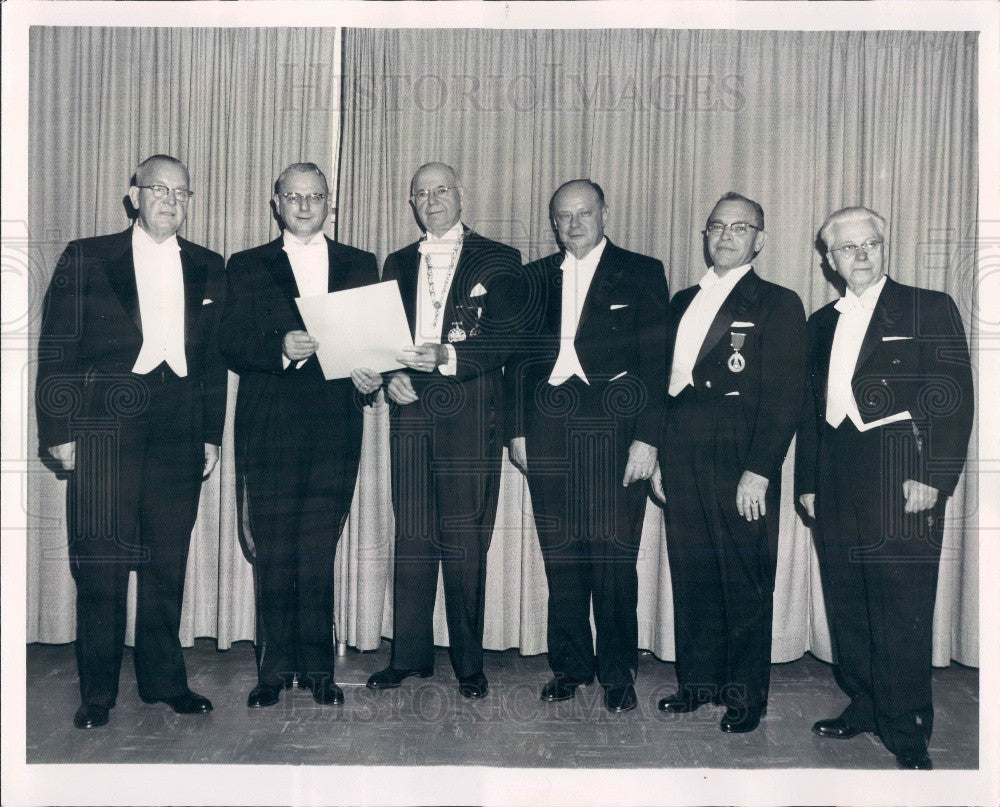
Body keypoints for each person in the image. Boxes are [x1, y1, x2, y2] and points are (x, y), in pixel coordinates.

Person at [35, 155, 227, 729]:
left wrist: (211, 435)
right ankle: (97, 691)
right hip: (102, 427)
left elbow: (213, 361)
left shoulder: (208, 265)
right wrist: (59, 432)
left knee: (167, 561)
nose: (170, 199)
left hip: (178, 431)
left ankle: (164, 680)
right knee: (100, 563)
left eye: (180, 191)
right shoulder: (87, 255)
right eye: (158, 188)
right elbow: (57, 348)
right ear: (133, 195)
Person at [795, 206, 973, 769]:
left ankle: (908, 720)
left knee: (902, 602)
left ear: (884, 245)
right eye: (847, 248)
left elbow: (953, 397)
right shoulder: (820, 323)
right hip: (836, 474)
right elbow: (809, 410)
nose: (862, 255)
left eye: (870, 243)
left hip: (903, 470)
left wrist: (935, 478)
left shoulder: (927, 306)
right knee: (847, 598)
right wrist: (808, 483)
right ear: (829, 259)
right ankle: (866, 703)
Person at [504, 179, 669, 713]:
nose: (573, 224)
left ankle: (618, 674)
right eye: (563, 216)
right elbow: (516, 364)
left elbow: (656, 363)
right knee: (562, 557)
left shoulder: (642, 272)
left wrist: (648, 438)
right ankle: (570, 667)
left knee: (615, 558)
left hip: (618, 435)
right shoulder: (530, 279)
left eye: (583, 213)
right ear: (553, 223)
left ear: (604, 213)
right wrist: (516, 432)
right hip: (548, 432)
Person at [221, 163, 380, 708]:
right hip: (269, 422)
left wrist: (372, 374)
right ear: (276, 202)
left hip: (336, 424)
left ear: (330, 201)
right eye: (294, 196)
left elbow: (371, 345)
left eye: (315, 196)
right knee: (274, 549)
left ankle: (318, 669)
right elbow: (228, 342)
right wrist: (276, 347)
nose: (305, 206)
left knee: (317, 548)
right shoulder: (245, 265)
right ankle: (272, 671)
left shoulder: (361, 263)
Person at [366, 162, 522, 700]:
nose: (431, 200)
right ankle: (408, 656)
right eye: (421, 194)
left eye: (440, 191)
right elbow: (380, 337)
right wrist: (390, 376)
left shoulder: (501, 259)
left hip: (471, 416)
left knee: (463, 540)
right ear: (412, 204)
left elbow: (507, 340)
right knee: (411, 536)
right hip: (409, 411)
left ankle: (468, 664)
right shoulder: (397, 261)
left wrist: (447, 355)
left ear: (461, 194)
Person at [654, 192, 806, 733]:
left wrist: (760, 469)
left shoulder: (778, 302)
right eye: (717, 226)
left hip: (740, 458)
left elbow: (786, 396)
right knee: (692, 572)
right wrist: (657, 457)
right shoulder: (680, 300)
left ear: (759, 240)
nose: (725, 236)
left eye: (740, 229)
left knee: (743, 578)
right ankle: (697, 682)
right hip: (681, 453)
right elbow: (663, 387)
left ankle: (745, 697)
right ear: (705, 235)